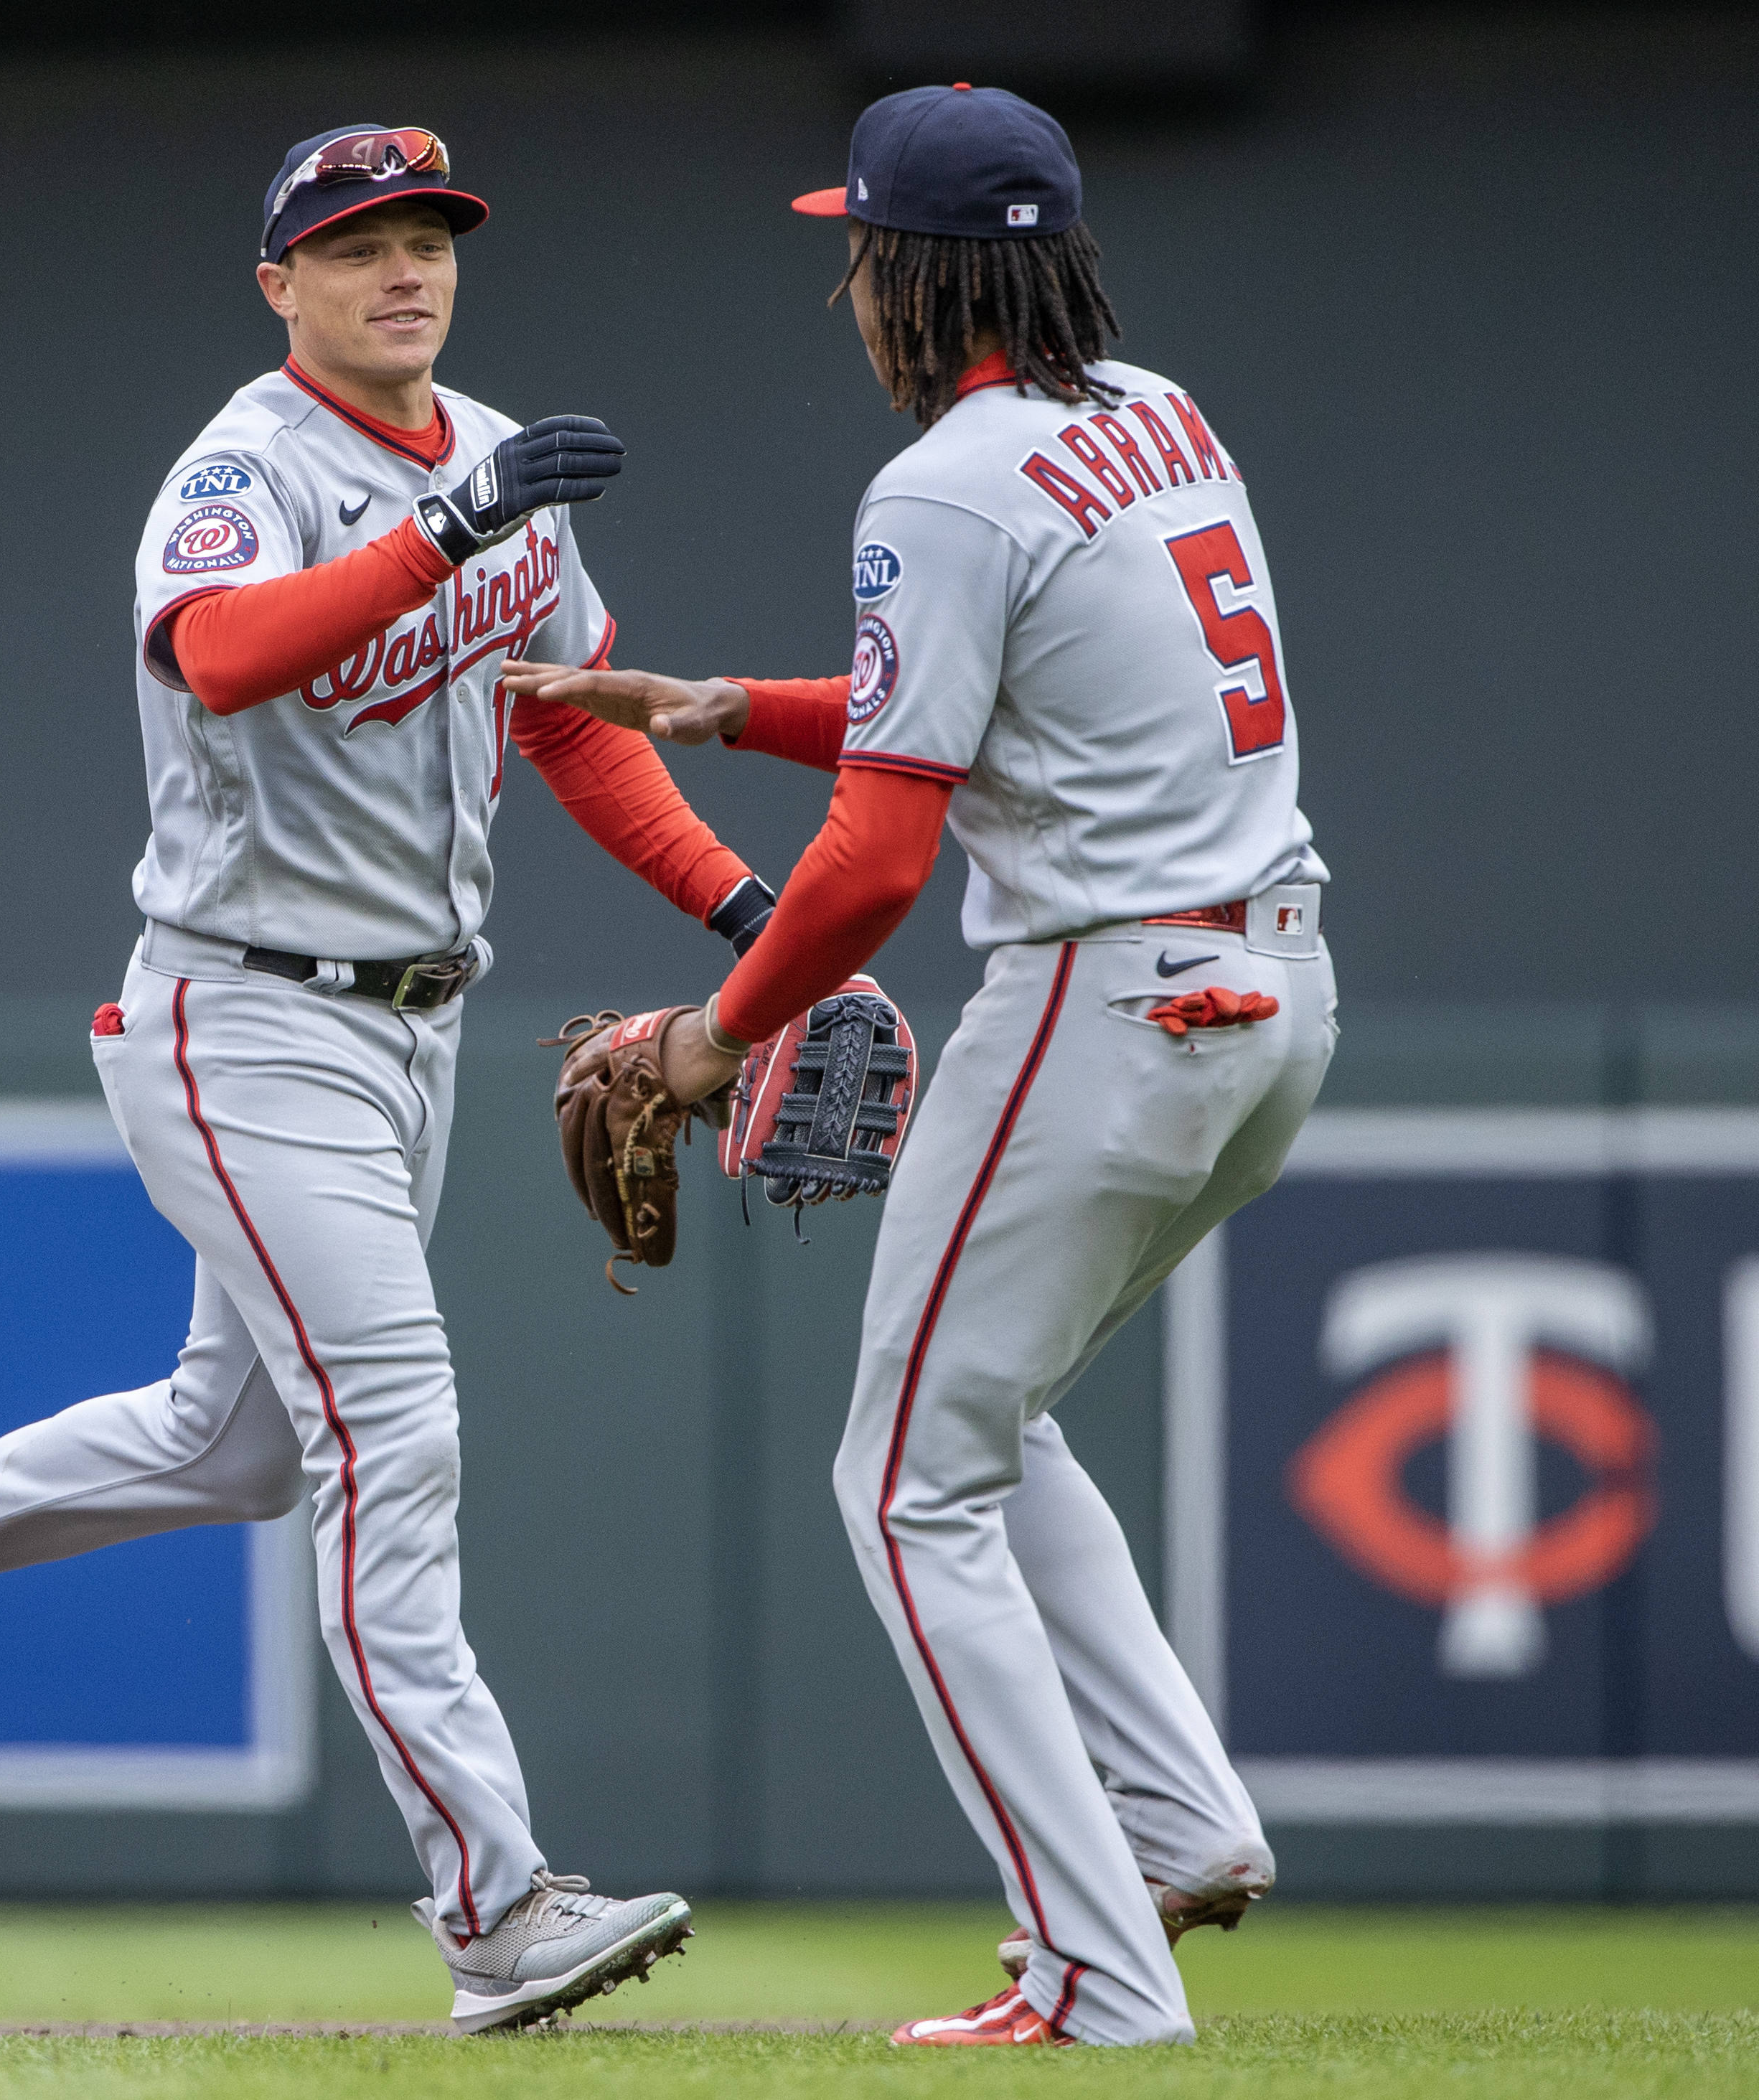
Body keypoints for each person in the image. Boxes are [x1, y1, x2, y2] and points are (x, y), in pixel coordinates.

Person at [0, 123, 774, 2035]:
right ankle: (497, 1907)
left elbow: (565, 723)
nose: (403, 270)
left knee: (230, 1442)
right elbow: (224, 654)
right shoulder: (245, 467)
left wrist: (749, 915)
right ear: (280, 285)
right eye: (357, 244)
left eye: (430, 238)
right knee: (390, 1432)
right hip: (244, 1015)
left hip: (414, 1027)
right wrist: (444, 537)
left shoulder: (494, 466)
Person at [502, 85, 1335, 2048]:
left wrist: (713, 1038)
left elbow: (882, 858)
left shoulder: (945, 482)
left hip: (1101, 1001)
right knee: (987, 1424)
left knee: (900, 1482)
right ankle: (1184, 1831)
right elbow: (998, 707)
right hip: (1269, 1002)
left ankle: (1094, 1974)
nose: (847, 290)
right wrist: (727, 708)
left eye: (860, 253)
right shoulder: (1153, 407)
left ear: (924, 269)